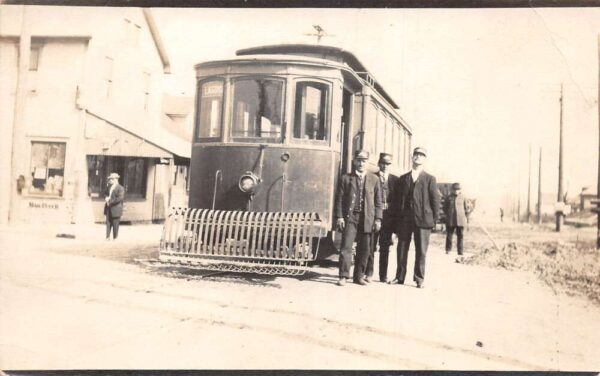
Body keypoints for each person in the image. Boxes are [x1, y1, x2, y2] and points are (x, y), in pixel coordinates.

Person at [389, 147, 440, 289]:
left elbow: (435, 201)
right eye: (416, 155)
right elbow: (398, 201)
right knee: (401, 248)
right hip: (405, 219)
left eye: (421, 155)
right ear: (412, 158)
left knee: (421, 250)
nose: (418, 157)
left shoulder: (430, 179)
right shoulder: (403, 178)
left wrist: (434, 220)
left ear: (425, 159)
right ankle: (399, 277)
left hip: (423, 220)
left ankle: (419, 279)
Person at [335, 150, 383, 286]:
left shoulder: (375, 179)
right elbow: (339, 199)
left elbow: (378, 202)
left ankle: (359, 276)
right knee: (346, 246)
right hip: (351, 218)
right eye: (359, 160)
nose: (361, 163)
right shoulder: (345, 178)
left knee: (365, 249)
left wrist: (378, 219)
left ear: (367, 163)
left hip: (367, 218)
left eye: (364, 161)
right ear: (355, 161)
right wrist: (339, 217)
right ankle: (343, 275)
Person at [365, 153, 399, 283]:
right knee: (371, 245)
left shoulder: (395, 180)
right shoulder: (372, 177)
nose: (385, 166)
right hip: (374, 216)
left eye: (388, 164)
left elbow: (397, 203)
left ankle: (383, 275)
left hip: (389, 218)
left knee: (385, 247)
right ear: (379, 164)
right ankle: (369, 273)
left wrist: (396, 225)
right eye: (383, 163)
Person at [444, 182, 468, 255]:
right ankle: (448, 250)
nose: (456, 191)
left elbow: (465, 208)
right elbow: (445, 208)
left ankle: (460, 252)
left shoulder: (463, 197)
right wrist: (449, 214)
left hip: (460, 220)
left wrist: (464, 217)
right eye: (454, 189)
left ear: (460, 190)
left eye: (457, 189)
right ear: (452, 190)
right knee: (449, 235)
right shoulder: (448, 197)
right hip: (451, 220)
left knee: (460, 236)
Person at [104, 172, 124, 240]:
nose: (110, 180)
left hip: (116, 209)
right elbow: (106, 194)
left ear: (116, 179)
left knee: (115, 224)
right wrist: (106, 198)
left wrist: (110, 202)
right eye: (110, 179)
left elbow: (120, 198)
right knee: (108, 223)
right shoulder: (109, 187)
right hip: (108, 208)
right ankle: (107, 237)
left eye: (111, 179)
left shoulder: (120, 188)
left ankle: (115, 238)